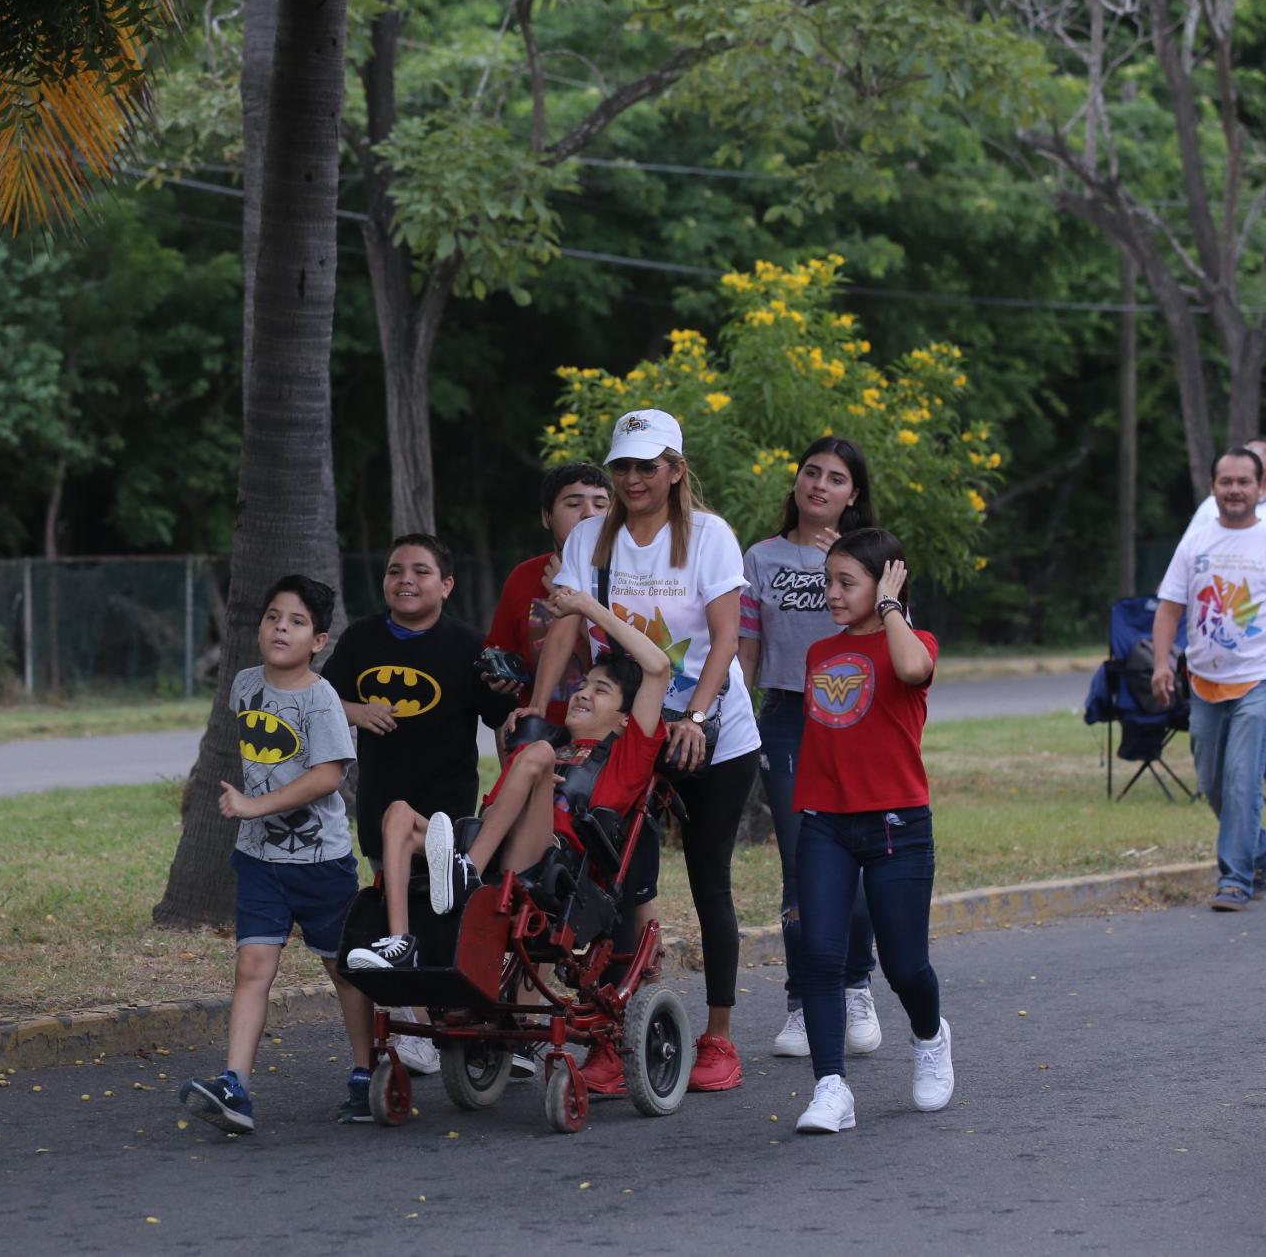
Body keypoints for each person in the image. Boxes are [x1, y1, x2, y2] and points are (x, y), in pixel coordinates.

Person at [526, 408, 763, 1094]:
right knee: (612, 881)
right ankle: (610, 1031)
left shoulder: (709, 536)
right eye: (622, 466)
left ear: (674, 470)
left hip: (709, 732)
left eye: (646, 465)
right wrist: (538, 712)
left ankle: (718, 1034)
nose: (632, 478)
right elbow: (566, 631)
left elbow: (723, 639)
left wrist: (695, 714)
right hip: (627, 733)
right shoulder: (592, 539)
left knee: (709, 878)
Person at [347, 582, 670, 969]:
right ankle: (400, 943)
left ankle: (465, 874)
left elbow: (658, 667)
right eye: (583, 685)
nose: (582, 694)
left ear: (623, 719)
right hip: (495, 848)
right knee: (398, 813)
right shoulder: (541, 745)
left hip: (552, 865)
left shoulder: (626, 753)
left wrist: (586, 607)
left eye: (600, 690)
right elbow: (495, 807)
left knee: (538, 755)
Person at [178, 576, 375, 1132]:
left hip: (320, 861)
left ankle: (365, 1073)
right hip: (260, 859)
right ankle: (235, 1085)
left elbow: (328, 777)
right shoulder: (244, 684)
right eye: (272, 616)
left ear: (319, 640)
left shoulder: (321, 699)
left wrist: (255, 807)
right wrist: (252, 815)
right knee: (252, 968)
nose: (280, 628)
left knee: (342, 970)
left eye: (295, 621)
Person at [322, 534, 518, 1072]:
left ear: (446, 585)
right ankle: (416, 1029)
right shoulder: (361, 639)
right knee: (392, 906)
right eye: (394, 570)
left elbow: (502, 722)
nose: (405, 579)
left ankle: (466, 1017)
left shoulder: (468, 646)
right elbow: (319, 699)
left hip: (446, 809)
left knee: (447, 912)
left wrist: (507, 792)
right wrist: (357, 712)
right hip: (382, 800)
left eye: (420, 571)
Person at [791, 528, 954, 1134]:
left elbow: (912, 668)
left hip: (898, 824)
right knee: (821, 956)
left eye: (845, 582)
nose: (831, 593)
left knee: (905, 967)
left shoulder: (914, 644)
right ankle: (831, 1088)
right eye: (827, 581)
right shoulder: (819, 653)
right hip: (826, 824)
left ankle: (930, 1035)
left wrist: (890, 607)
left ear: (885, 584)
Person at [737, 435, 883, 1062]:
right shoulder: (760, 556)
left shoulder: (868, 556)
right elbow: (745, 644)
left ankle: (855, 985)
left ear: (854, 495)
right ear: (796, 481)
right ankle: (801, 1002)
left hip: (856, 712)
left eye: (837, 479)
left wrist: (849, 572)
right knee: (802, 862)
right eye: (811, 473)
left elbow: (893, 638)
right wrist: (734, 714)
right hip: (788, 715)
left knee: (855, 858)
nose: (820, 485)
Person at [1151, 448, 1266, 911]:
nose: (1235, 489)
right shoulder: (1195, 543)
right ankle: (1259, 851)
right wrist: (1162, 663)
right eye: (1226, 482)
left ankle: (1234, 878)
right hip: (1204, 681)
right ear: (1213, 487)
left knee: (1242, 780)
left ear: (1260, 488)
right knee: (1213, 783)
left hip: (1262, 678)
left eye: (1243, 481)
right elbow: (1170, 608)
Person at [1183, 435, 1266, 788]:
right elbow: (1189, 555)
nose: (1236, 485)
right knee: (1218, 760)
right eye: (1228, 480)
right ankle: (1228, 774)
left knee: (1265, 697)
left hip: (1262, 627)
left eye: (1259, 455)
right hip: (1215, 628)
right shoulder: (1210, 508)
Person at [484, 463, 613, 727]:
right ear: (547, 517)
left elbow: (629, 665)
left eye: (601, 505)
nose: (589, 514)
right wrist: (499, 675)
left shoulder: (631, 577)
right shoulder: (523, 577)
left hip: (610, 733)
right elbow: (500, 651)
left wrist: (568, 600)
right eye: (574, 504)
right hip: (543, 728)